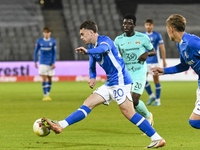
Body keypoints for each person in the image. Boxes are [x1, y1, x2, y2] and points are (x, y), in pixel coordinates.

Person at [40, 20, 165, 148]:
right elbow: (92, 66)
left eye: (83, 34)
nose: (81, 37)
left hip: (120, 81)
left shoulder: (105, 41)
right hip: (111, 82)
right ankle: (61, 125)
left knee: (129, 113)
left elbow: (104, 48)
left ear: (91, 33)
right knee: (88, 103)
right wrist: (92, 77)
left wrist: (88, 52)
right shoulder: (91, 47)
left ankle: (156, 138)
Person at [152, 14, 200, 129]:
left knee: (194, 121)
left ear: (170, 29)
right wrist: (164, 70)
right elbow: (183, 66)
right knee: (195, 121)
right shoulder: (181, 45)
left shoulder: (191, 42)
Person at [114, 14, 155, 126]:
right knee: (130, 102)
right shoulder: (118, 40)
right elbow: (116, 56)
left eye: (129, 23)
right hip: (126, 74)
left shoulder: (142, 38)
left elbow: (153, 51)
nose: (126, 25)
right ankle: (147, 117)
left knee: (134, 99)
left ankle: (147, 116)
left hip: (139, 72)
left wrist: (146, 54)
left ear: (134, 25)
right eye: (125, 23)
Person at [144, 19, 167, 106]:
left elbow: (162, 48)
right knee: (142, 80)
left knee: (156, 80)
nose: (148, 26)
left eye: (150, 25)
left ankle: (158, 100)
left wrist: (164, 60)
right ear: (145, 25)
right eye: (147, 25)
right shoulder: (142, 35)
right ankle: (152, 96)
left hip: (155, 61)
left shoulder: (157, 35)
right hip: (145, 62)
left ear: (152, 26)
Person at [34, 26, 56, 101]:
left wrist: (53, 62)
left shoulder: (53, 41)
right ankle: (45, 95)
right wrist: (35, 61)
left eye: (47, 33)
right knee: (44, 77)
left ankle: (48, 94)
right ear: (43, 33)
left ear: (50, 33)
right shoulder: (39, 41)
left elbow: (54, 53)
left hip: (50, 62)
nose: (46, 34)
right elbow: (36, 51)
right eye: (45, 33)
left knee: (50, 78)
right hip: (42, 62)